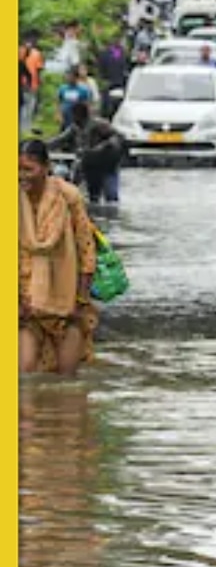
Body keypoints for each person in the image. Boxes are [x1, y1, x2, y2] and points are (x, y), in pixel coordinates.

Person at [19, 138, 99, 376]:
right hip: (26, 303)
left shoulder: (68, 198)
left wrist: (80, 299)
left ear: (46, 168)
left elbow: (86, 251)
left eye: (28, 170)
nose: (22, 176)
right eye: (16, 170)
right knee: (25, 377)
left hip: (67, 302)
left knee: (66, 384)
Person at [47, 101, 123, 203]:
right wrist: (42, 146)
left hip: (108, 164)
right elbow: (60, 140)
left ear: (82, 115)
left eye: (75, 115)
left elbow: (117, 136)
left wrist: (103, 146)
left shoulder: (99, 124)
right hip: (90, 165)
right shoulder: (75, 128)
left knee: (111, 196)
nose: (73, 118)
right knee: (93, 196)